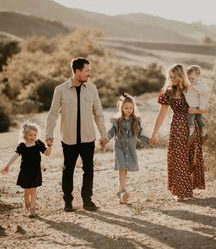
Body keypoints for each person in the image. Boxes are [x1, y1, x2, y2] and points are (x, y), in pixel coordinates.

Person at [45, 57, 107, 212]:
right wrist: (48, 133)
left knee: (89, 169)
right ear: (77, 71)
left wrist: (103, 134)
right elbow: (53, 114)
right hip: (69, 138)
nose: (89, 74)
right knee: (68, 169)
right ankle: (68, 201)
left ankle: (87, 200)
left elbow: (98, 113)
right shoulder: (60, 90)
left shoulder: (92, 89)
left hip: (88, 137)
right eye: (87, 71)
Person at [150, 64, 205, 201]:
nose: (172, 79)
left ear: (182, 76)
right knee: (179, 158)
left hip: (193, 128)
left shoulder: (191, 89)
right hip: (177, 128)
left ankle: (187, 188)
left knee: (192, 158)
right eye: (170, 77)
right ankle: (181, 192)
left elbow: (202, 109)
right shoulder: (168, 92)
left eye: (175, 77)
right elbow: (161, 114)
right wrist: (154, 133)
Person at [107, 93, 150, 204]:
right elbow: (111, 133)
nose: (129, 110)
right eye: (126, 108)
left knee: (125, 169)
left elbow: (140, 134)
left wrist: (148, 140)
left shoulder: (135, 121)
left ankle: (120, 191)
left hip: (130, 148)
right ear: (121, 108)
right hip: (119, 147)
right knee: (122, 168)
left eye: (131, 108)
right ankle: (123, 191)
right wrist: (104, 140)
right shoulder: (117, 121)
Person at [1, 122, 51, 218]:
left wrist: (50, 146)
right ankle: (27, 205)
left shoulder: (38, 143)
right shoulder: (22, 146)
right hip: (25, 172)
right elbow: (15, 156)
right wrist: (7, 166)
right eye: (30, 135)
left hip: (35, 171)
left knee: (33, 190)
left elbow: (47, 153)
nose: (33, 137)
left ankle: (32, 210)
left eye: (34, 135)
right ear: (25, 135)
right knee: (27, 192)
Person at [185, 65, 209, 146]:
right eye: (189, 79)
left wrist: (201, 108)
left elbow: (204, 97)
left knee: (190, 119)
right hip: (195, 105)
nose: (191, 80)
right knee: (199, 119)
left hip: (195, 106)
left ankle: (191, 133)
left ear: (198, 75)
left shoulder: (200, 85)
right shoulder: (195, 83)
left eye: (192, 78)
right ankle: (204, 134)